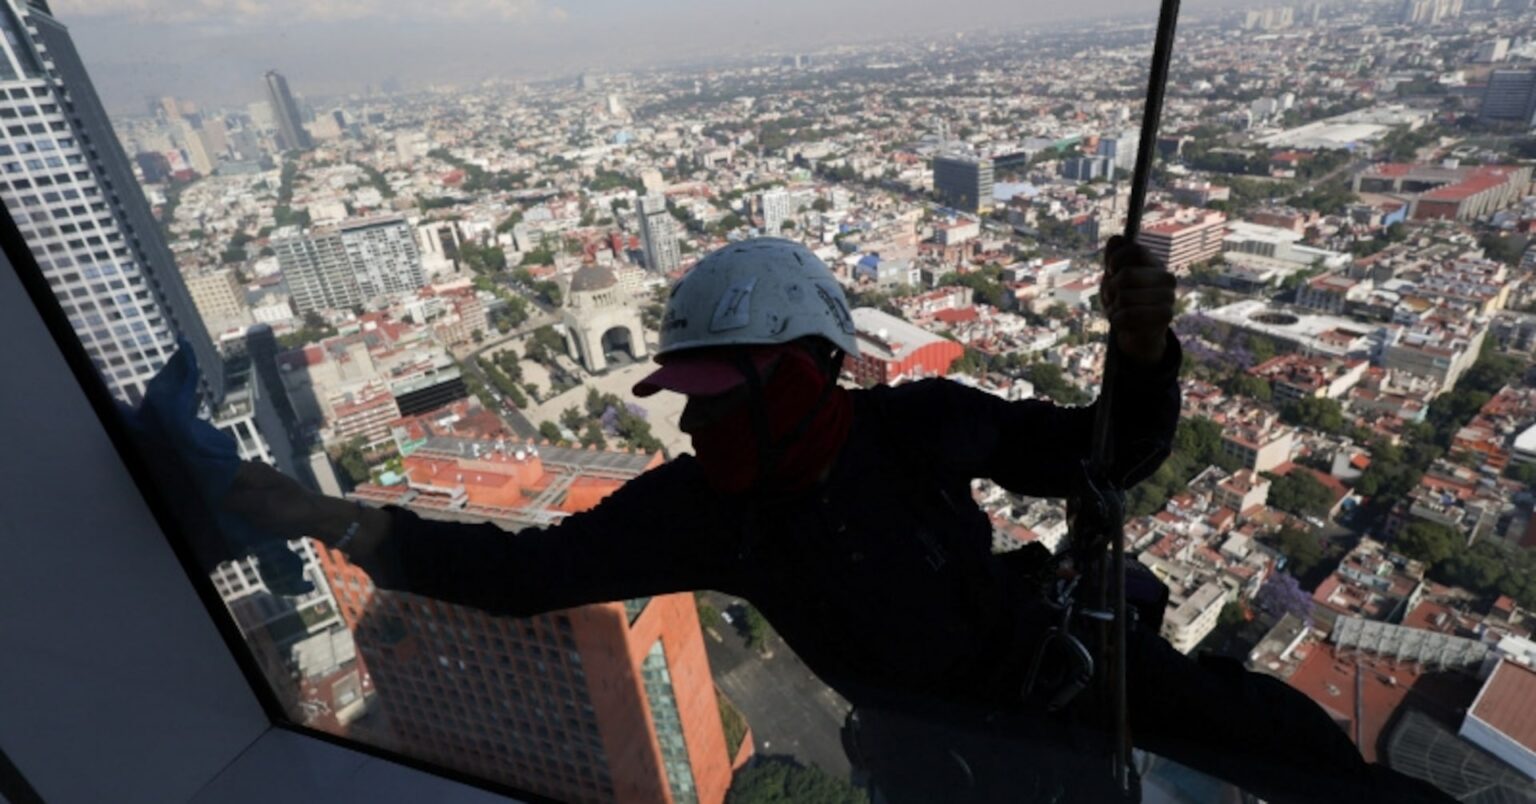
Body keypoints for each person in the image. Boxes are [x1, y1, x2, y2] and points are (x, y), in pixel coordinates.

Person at [225, 237, 1451, 803]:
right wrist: (334, 516)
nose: (698, 425)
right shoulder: (707, 509)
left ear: (802, 369)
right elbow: (511, 574)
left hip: (1064, 683)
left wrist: (1143, 351)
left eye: (717, 394)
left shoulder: (909, 428)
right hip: (952, 761)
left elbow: (1100, 456)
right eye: (693, 402)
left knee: (1283, 737)